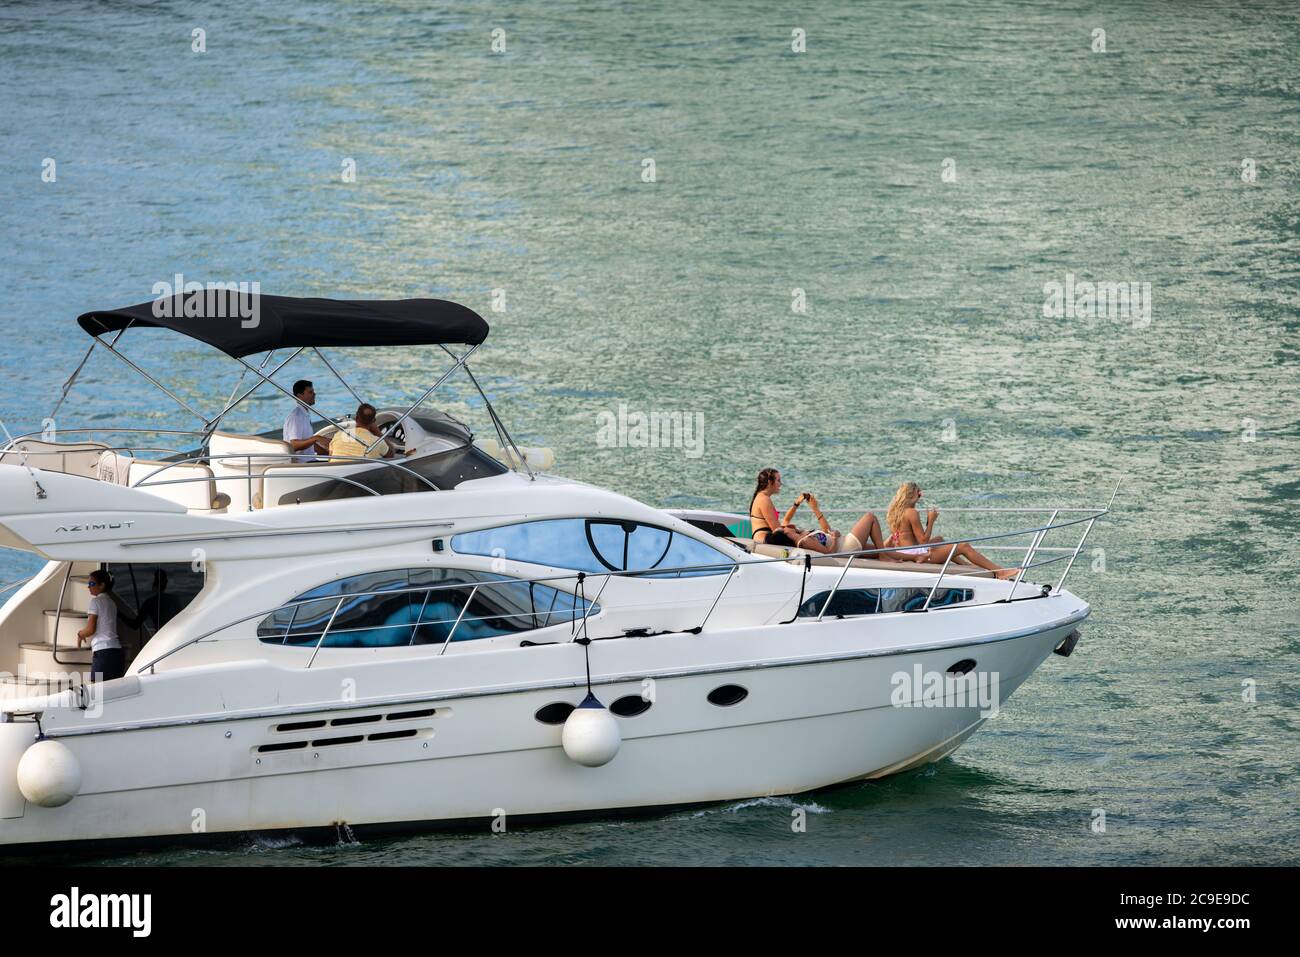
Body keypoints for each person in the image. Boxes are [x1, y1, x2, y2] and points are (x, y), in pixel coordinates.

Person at [883, 481, 1020, 579]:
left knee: (940, 539)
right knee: (963, 546)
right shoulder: (911, 512)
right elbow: (923, 540)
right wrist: (931, 521)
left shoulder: (894, 512)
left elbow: (905, 537)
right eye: (919, 494)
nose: (920, 497)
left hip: (905, 550)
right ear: (912, 495)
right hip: (917, 554)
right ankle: (1000, 572)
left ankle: (965, 565)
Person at [748, 468, 889, 556]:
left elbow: (783, 525)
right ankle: (887, 551)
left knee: (879, 548)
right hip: (765, 539)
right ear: (769, 482)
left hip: (840, 543)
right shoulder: (764, 500)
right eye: (778, 480)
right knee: (870, 518)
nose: (781, 484)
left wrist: (798, 504)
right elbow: (777, 529)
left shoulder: (762, 498)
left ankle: (890, 549)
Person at [76, 569, 126, 681]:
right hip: (117, 652)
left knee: (98, 693)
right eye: (88, 584)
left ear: (102, 585)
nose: (89, 586)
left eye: (92, 584)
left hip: (104, 653)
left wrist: (80, 634)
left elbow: (90, 629)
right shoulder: (112, 603)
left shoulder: (96, 602)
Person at [283, 380, 330, 462]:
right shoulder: (296, 416)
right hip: (302, 464)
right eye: (310, 392)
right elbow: (293, 445)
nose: (314, 394)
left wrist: (330, 453)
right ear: (299, 396)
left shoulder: (304, 414)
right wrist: (316, 438)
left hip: (309, 461)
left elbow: (310, 444)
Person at [329, 403, 396, 459]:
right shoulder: (376, 442)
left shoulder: (339, 434)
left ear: (356, 418)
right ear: (373, 421)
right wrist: (378, 432)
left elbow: (330, 456)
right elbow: (391, 455)